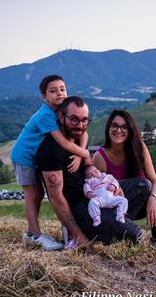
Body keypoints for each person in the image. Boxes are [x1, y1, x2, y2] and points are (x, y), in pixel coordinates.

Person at [36, 97, 144, 247]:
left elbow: (88, 165)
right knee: (135, 235)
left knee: (142, 185)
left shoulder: (78, 138)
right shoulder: (51, 150)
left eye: (84, 120)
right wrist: (78, 234)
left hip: (97, 193)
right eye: (74, 119)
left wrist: (113, 187)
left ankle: (114, 221)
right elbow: (56, 198)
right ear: (61, 117)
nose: (80, 126)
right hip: (80, 209)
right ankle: (84, 232)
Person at [10, 74, 91, 251]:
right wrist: (85, 153)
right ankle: (35, 235)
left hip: (35, 157)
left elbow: (83, 133)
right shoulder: (45, 115)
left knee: (38, 194)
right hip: (25, 157)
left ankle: (32, 232)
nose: (59, 93)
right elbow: (62, 142)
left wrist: (79, 155)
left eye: (62, 89)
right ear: (44, 97)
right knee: (32, 195)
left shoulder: (64, 108)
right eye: (53, 91)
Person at [92, 109, 156, 246]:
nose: (119, 130)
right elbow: (99, 192)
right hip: (113, 207)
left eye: (124, 127)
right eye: (115, 125)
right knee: (142, 184)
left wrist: (153, 199)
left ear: (130, 130)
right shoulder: (100, 157)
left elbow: (155, 181)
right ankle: (119, 229)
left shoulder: (139, 148)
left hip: (137, 203)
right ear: (108, 127)